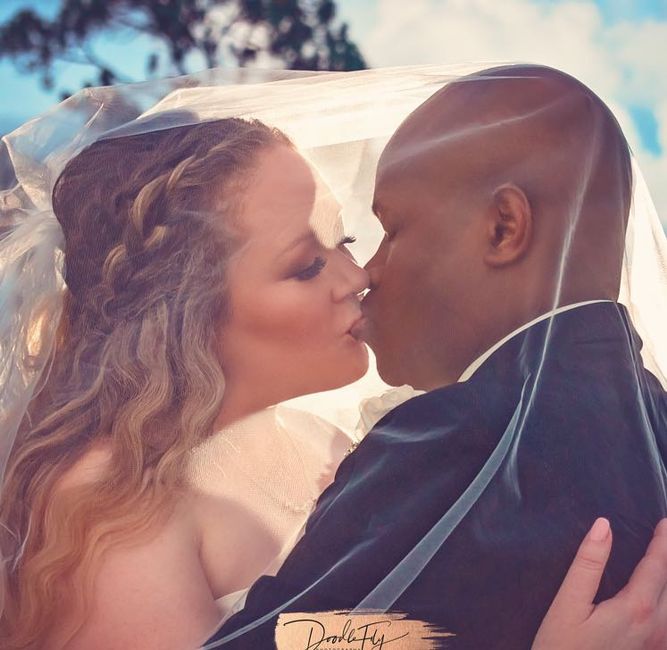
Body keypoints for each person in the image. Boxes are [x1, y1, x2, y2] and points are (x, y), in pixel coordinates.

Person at [0, 65, 664, 650]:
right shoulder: (108, 504)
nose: (358, 276)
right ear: (187, 311)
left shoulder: (330, 445)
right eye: (306, 265)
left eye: (342, 241)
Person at [206, 65, 667, 649]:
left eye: (392, 229)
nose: (369, 272)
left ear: (503, 229)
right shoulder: (655, 425)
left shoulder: (449, 439)